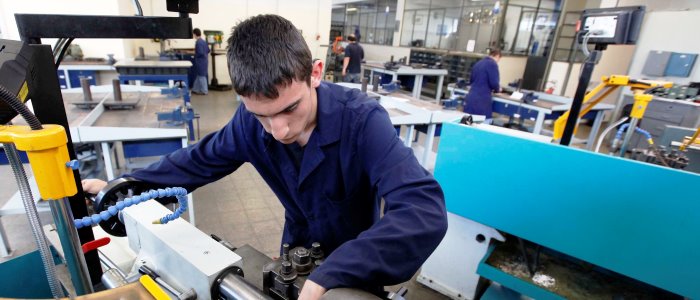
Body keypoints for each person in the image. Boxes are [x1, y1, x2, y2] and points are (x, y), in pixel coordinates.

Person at [83, 15, 447, 299]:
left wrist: (332, 274)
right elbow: (198, 160)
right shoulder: (250, 123)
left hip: (361, 263)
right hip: (294, 255)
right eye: (261, 115)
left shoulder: (363, 123)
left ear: (315, 73)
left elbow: (423, 212)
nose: (278, 130)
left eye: (289, 109)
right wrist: (131, 188)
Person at [463, 49, 501, 124]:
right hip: (482, 100)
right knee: (483, 127)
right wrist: (498, 89)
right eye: (498, 59)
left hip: (471, 98)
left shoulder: (478, 63)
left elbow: (471, 80)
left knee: (468, 125)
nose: (498, 61)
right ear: (497, 56)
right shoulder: (492, 64)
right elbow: (494, 83)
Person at [191, 28, 210, 95]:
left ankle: (205, 91)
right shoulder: (203, 41)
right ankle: (195, 89)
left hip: (200, 62)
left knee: (202, 76)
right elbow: (208, 50)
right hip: (204, 61)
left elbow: (200, 53)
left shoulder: (198, 42)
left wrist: (195, 54)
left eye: (193, 34)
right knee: (199, 75)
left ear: (195, 34)